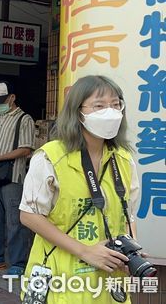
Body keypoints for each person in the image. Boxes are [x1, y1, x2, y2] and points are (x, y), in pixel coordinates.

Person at [20, 75, 143, 303]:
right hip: (61, 277)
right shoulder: (50, 156)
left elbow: (128, 214)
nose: (111, 111)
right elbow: (29, 215)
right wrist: (85, 251)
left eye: (116, 104)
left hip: (109, 279)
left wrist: (131, 251)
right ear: (78, 112)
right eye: (99, 105)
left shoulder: (124, 159)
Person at [0, 81, 35, 276]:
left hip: (13, 176)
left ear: (12, 98)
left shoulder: (24, 119)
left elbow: (26, 149)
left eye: (2, 100)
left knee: (14, 221)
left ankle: (18, 262)